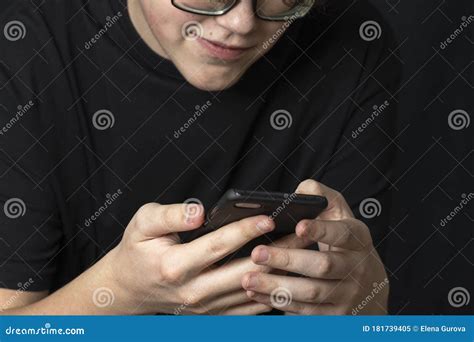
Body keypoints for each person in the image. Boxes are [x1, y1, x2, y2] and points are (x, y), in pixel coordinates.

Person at [0, 0, 400, 315]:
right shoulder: (27, 46)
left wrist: (368, 307)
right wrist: (121, 292)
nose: (241, 23)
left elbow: (357, 309)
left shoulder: (355, 41)